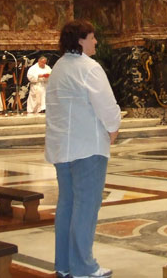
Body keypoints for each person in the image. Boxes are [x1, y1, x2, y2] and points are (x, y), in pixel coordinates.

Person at [45, 20, 121, 278]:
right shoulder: (89, 68)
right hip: (88, 147)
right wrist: (113, 128)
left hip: (62, 148)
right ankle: (84, 266)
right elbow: (107, 105)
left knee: (67, 204)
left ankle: (65, 264)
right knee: (86, 206)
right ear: (80, 40)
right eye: (92, 37)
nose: (96, 41)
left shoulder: (58, 68)